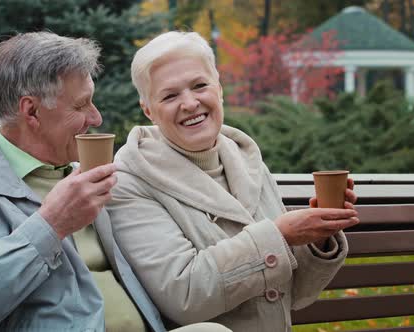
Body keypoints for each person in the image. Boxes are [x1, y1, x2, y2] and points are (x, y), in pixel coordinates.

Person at [0, 31, 230, 332]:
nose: (96, 118)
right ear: (31, 111)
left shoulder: (79, 171)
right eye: (81, 105)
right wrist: (50, 225)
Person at [104, 31, 360, 332]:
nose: (189, 103)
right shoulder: (131, 181)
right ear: (148, 109)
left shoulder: (248, 161)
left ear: (219, 89)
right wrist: (280, 235)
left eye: (200, 86)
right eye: (170, 95)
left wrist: (317, 238)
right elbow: (186, 296)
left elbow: (294, 297)